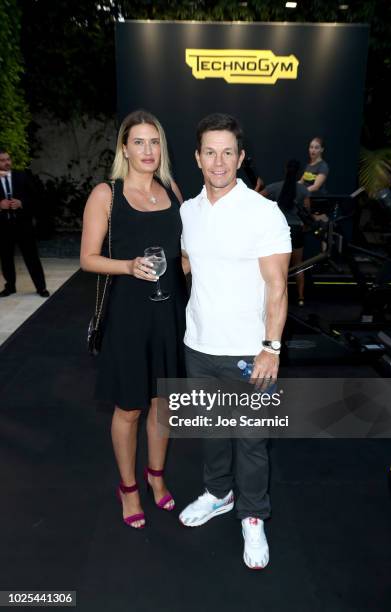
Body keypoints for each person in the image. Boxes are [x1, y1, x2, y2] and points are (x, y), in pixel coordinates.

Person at [179, 113, 291, 569]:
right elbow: (189, 261)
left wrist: (272, 346)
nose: (219, 161)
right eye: (210, 152)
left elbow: (278, 286)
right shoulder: (188, 210)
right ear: (197, 158)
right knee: (210, 429)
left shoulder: (263, 212)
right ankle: (218, 494)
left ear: (241, 158)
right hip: (199, 344)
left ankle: (253, 516)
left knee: (250, 439)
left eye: (228, 152)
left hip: (250, 350)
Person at [80, 110, 187, 529]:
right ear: (124, 148)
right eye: (139, 142)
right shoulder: (106, 194)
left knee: (162, 405)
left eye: (154, 142)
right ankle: (128, 487)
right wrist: (127, 266)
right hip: (128, 316)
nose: (148, 150)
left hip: (170, 312)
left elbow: (181, 257)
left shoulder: (173, 190)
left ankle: (155, 478)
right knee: (129, 408)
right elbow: (88, 260)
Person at [0, 148, 49, 298]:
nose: (7, 163)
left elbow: (36, 197)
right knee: (6, 258)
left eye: (8, 159)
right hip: (3, 226)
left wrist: (21, 203)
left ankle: (41, 287)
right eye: (2, 160)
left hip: (23, 225)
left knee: (32, 257)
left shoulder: (22, 176)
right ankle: (10, 287)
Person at [262, 159, 310, 306]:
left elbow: (257, 198)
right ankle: (301, 298)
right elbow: (307, 211)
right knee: (298, 265)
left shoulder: (274, 187)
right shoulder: (303, 190)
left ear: (285, 170)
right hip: (296, 230)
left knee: (278, 268)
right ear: (299, 172)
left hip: (280, 231)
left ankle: (280, 299)